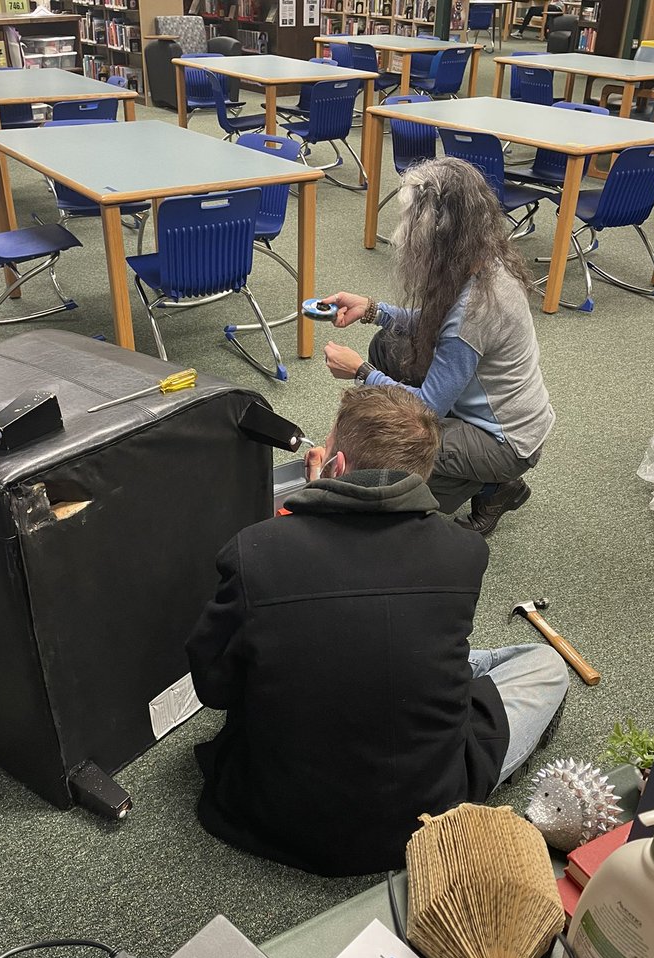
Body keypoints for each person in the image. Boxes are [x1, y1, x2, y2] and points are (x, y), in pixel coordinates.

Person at [185, 385, 569, 878]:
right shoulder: (465, 551)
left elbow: (213, 686)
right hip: (425, 816)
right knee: (544, 663)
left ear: (337, 466)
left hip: (269, 812)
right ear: (425, 475)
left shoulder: (254, 548)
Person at [321, 156, 555, 537]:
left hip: (506, 442)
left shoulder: (475, 310)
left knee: (394, 441)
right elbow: (437, 324)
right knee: (388, 344)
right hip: (495, 414)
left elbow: (428, 407)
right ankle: (478, 478)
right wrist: (373, 310)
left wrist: (361, 373)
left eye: (411, 225)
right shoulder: (484, 258)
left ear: (443, 234)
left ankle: (493, 485)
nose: (401, 237)